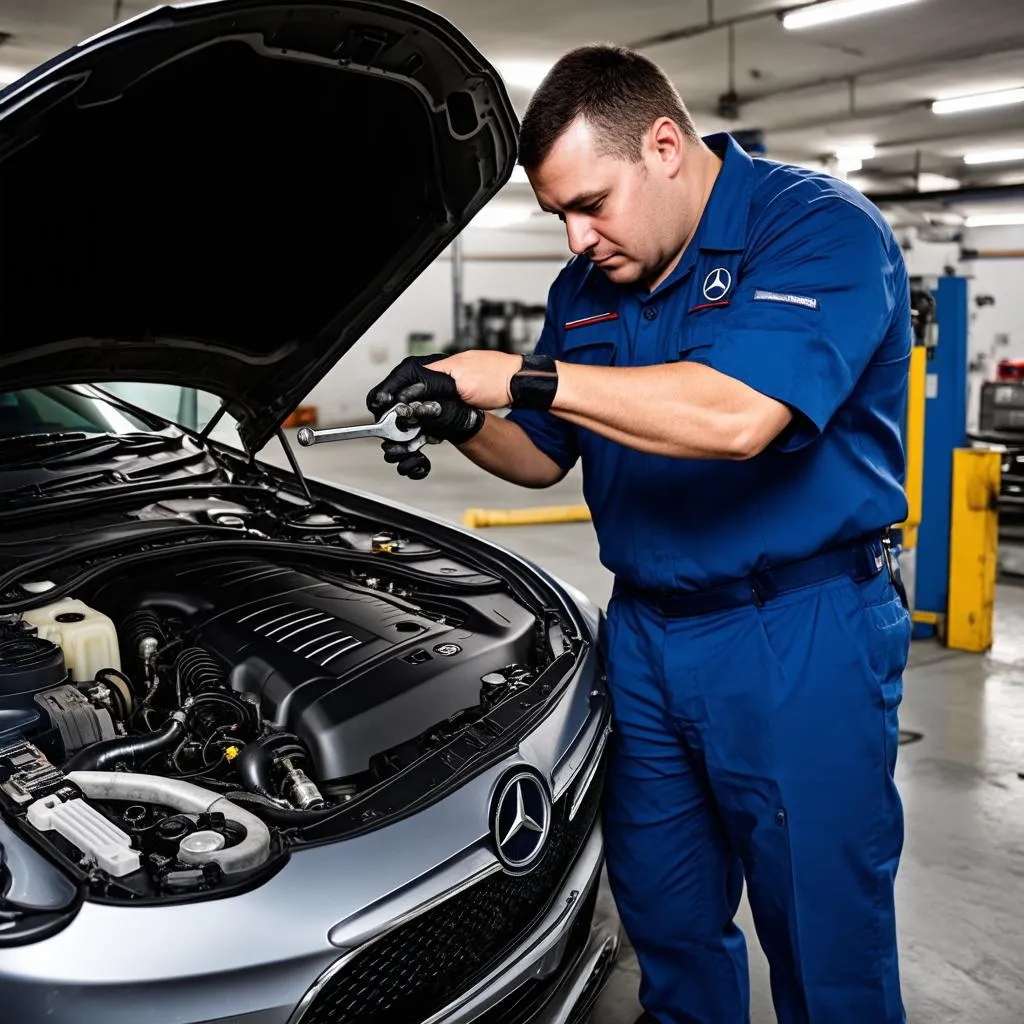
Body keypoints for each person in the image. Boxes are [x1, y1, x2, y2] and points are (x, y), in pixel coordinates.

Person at [366, 45, 911, 1024]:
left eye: (592, 203)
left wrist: (519, 376)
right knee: (666, 922)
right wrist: (461, 416)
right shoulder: (590, 288)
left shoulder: (815, 229)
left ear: (664, 145)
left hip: (798, 632)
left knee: (826, 945)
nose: (576, 239)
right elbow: (542, 451)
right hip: (648, 639)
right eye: (557, 215)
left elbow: (738, 415)